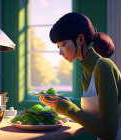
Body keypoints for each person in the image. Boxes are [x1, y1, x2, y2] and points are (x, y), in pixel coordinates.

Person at [39, 12, 121, 140]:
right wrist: (67, 105)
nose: (60, 52)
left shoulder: (104, 66)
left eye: (63, 44)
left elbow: (109, 132)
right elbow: (95, 119)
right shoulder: (85, 74)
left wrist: (67, 108)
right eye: (58, 46)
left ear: (81, 39)